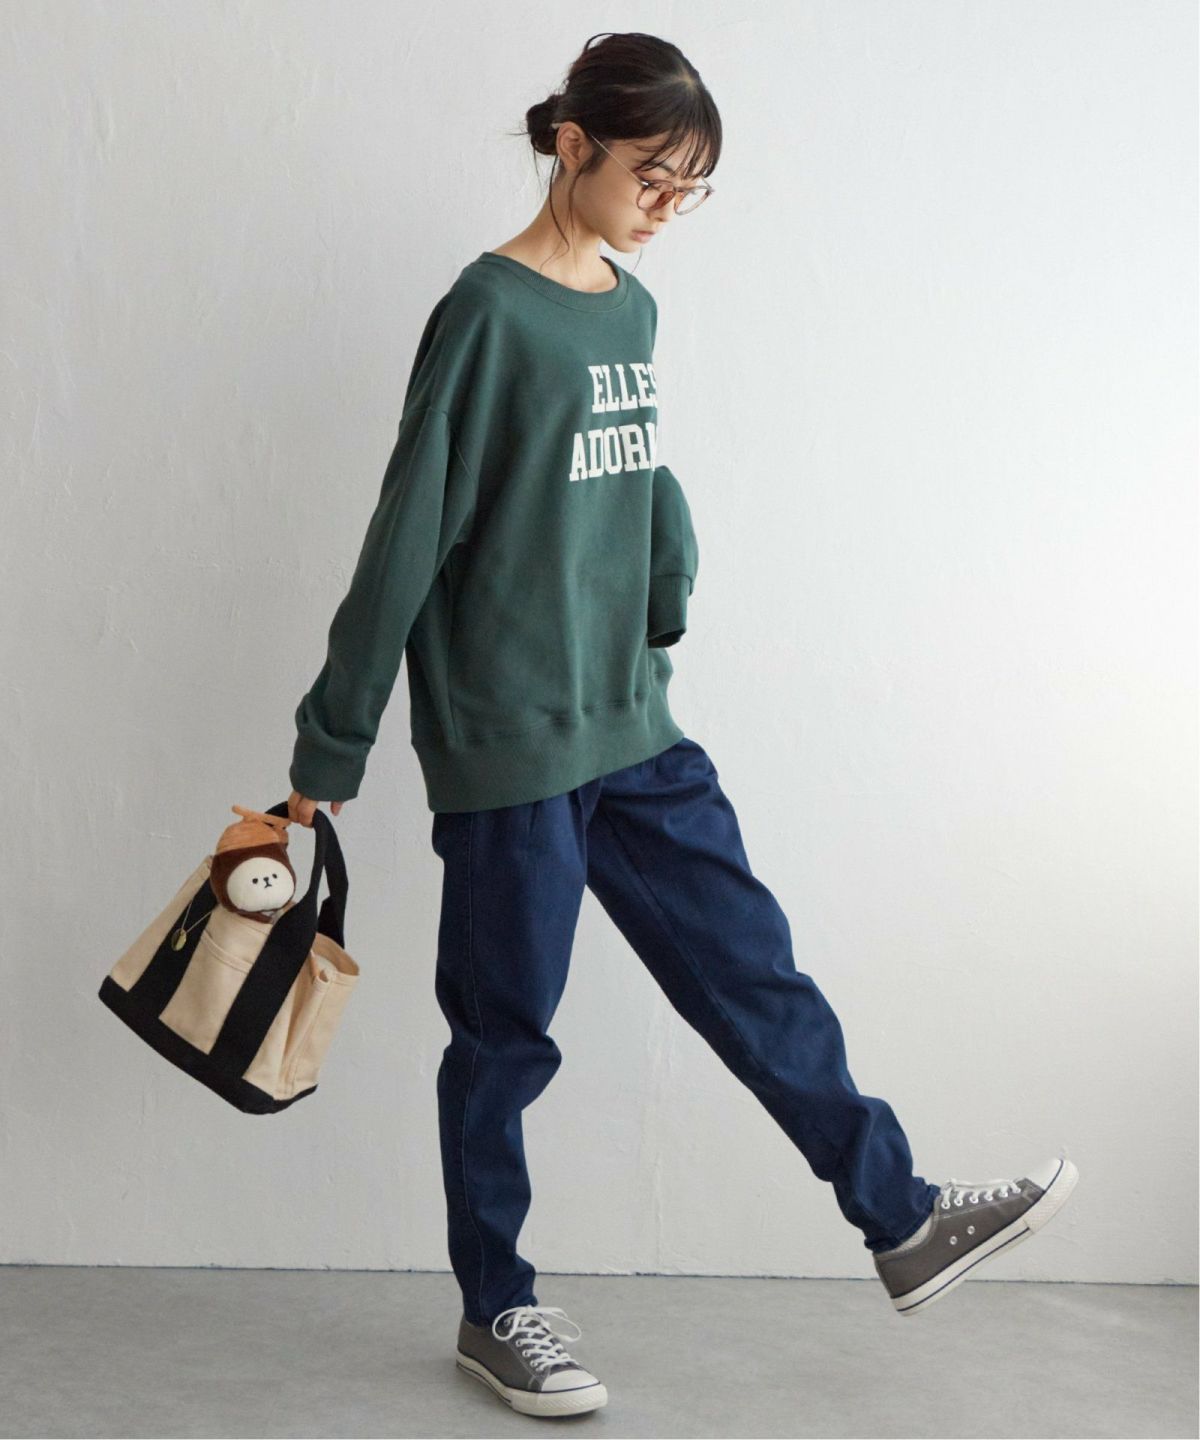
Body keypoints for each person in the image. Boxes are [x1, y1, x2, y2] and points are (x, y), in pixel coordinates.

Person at [286, 30, 1078, 1422]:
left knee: (752, 971)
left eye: (689, 190)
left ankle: (899, 1217)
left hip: (633, 726)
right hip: (513, 738)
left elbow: (639, 467)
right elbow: (409, 531)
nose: (665, 209)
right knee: (506, 1036)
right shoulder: (487, 313)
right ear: (573, 145)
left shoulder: (629, 308)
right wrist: (332, 744)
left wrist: (669, 581)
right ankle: (496, 1308)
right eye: (652, 178)